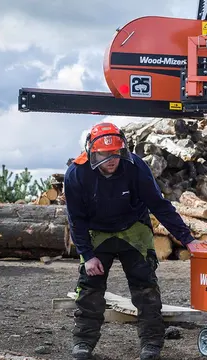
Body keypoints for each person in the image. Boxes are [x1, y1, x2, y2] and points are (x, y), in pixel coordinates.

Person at [64, 122, 196, 360]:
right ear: (93, 152)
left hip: (133, 229)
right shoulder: (77, 173)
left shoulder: (135, 167)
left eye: (115, 153)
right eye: (104, 154)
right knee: (90, 288)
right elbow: (76, 218)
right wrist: (88, 255)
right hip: (97, 232)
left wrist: (187, 239)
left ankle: (151, 344)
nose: (111, 159)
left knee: (145, 287)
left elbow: (159, 205)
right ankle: (83, 343)